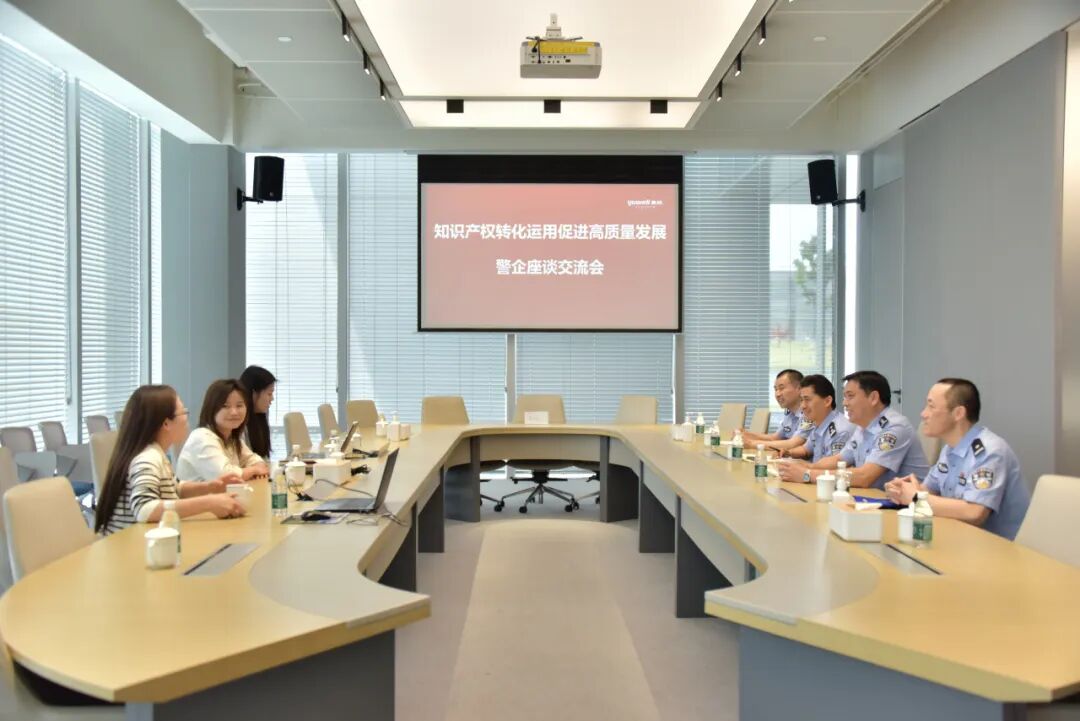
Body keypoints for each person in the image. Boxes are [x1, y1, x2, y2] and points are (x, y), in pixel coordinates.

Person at [885, 379, 1030, 540]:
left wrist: (916, 497)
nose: (923, 414)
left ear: (958, 413)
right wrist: (901, 490)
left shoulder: (989, 452)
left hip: (998, 547)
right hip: (963, 539)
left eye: (931, 406)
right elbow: (928, 491)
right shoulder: (950, 449)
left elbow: (974, 513)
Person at [93, 385, 244, 536]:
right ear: (166, 423)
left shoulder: (156, 454)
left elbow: (173, 488)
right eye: (183, 412)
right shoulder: (147, 458)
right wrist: (208, 503)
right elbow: (145, 510)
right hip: (132, 544)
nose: (187, 418)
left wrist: (210, 487)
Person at [781, 370, 929, 489]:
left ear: (873, 398)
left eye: (850, 396)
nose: (844, 403)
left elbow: (865, 477)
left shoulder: (894, 427)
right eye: (844, 397)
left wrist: (807, 474)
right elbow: (839, 459)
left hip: (906, 508)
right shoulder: (863, 427)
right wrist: (806, 467)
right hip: (876, 499)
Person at [176, 379, 269, 482]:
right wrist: (254, 470)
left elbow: (255, 460)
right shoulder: (201, 438)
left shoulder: (232, 438)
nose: (234, 412)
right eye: (225, 406)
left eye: (239, 405)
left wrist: (256, 468)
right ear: (211, 408)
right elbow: (226, 476)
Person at [776, 375, 855, 470]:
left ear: (827, 401)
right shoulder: (818, 422)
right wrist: (789, 453)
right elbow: (806, 449)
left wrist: (804, 466)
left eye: (807, 400)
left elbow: (833, 468)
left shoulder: (840, 430)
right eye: (801, 400)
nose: (802, 406)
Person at [742, 369, 812, 452]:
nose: (777, 394)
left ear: (799, 389)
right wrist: (746, 434)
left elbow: (792, 444)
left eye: (781, 388)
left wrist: (751, 443)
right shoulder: (790, 413)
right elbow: (775, 438)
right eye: (776, 389)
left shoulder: (809, 413)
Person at [240, 365, 276, 459]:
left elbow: (263, 458)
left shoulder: (260, 418)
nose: (272, 398)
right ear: (254, 393)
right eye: (269, 393)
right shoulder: (239, 424)